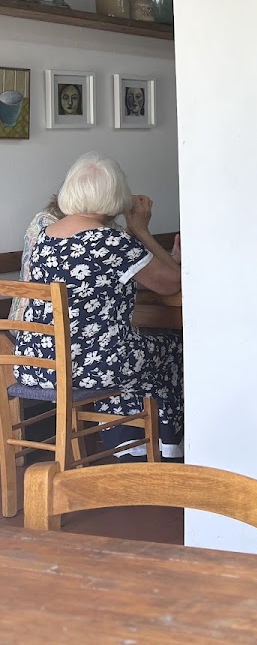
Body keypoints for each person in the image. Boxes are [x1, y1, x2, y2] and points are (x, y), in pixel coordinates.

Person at [12, 153, 183, 458]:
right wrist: (141, 229)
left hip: (37, 365)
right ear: (117, 196)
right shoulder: (111, 242)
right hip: (89, 368)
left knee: (133, 351)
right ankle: (166, 448)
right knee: (173, 347)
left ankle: (126, 443)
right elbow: (172, 283)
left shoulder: (45, 237)